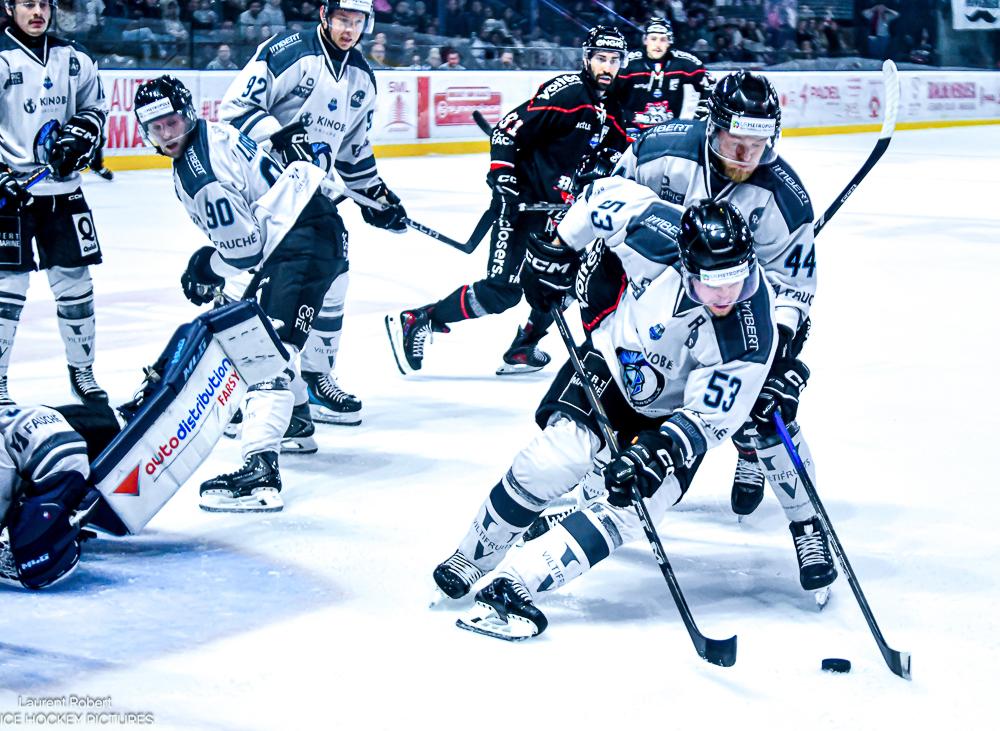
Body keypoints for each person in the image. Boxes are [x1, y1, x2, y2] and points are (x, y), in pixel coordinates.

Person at [431, 184, 782, 637]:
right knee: (551, 460)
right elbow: (599, 199)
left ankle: (518, 582)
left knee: (634, 505)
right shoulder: (653, 228)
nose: (726, 296)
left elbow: (711, 416)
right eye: (711, 284)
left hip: (669, 418)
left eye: (736, 280)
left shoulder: (749, 333)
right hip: (611, 366)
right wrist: (559, 250)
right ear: (686, 264)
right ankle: (473, 556)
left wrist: (662, 449)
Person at [610, 70, 836, 591]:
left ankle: (807, 523)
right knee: (627, 393)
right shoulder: (660, 151)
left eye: (760, 145)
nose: (748, 156)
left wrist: (776, 353)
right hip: (656, 307)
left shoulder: (784, 198)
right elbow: (613, 202)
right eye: (737, 144)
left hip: (738, 315)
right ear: (712, 127)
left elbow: (794, 287)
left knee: (768, 412)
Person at [133, 75, 344, 513]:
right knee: (259, 332)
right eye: (156, 128)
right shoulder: (212, 133)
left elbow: (245, 251)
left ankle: (261, 473)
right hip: (307, 231)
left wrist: (204, 267)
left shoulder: (198, 174)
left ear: (187, 114)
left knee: (265, 353)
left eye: (172, 122)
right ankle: (294, 420)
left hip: (297, 243)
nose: (167, 134)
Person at [385, 26, 631, 376]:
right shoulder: (569, 92)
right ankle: (419, 319)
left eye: (614, 60)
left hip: (557, 213)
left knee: (564, 283)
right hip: (521, 207)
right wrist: (504, 179)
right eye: (601, 59)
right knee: (501, 292)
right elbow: (506, 130)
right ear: (587, 59)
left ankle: (523, 348)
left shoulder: (608, 104)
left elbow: (615, 150)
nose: (607, 67)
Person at [219, 0, 407, 426]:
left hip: (308, 195)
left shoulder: (362, 77)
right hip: (260, 185)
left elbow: (354, 151)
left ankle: (316, 378)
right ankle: (233, 388)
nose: (349, 29)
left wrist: (376, 197)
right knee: (250, 283)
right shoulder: (290, 51)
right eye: (343, 19)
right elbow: (235, 110)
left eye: (357, 22)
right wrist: (280, 136)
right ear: (324, 15)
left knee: (334, 274)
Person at [0, 0, 110, 406]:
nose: (38, 12)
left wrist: (81, 133)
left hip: (63, 193)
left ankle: (82, 369)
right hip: (11, 195)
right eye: (28, 3)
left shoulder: (73, 57)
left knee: (76, 283)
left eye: (44, 4)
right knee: (7, 287)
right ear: (9, 7)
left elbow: (95, 106)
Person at [0, 401, 121, 589]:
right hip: (71, 448)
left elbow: (5, 492)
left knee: (27, 566)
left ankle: (62, 520)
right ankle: (65, 515)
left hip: (58, 464)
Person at [616, 17, 713, 137]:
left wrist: (700, 114)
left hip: (668, 133)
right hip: (631, 132)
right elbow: (610, 92)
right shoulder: (629, 63)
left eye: (663, 39)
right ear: (645, 40)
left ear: (669, 41)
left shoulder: (684, 62)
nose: (657, 44)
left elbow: (709, 84)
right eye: (653, 39)